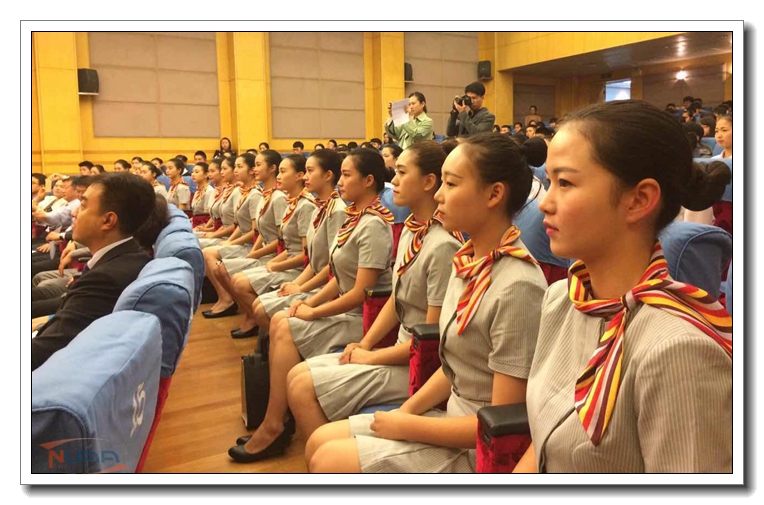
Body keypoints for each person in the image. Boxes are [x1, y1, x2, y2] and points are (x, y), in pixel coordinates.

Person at [511, 99, 732, 473]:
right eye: (549, 181)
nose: (545, 203)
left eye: (565, 183)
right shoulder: (562, 299)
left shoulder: (678, 351)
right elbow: (545, 443)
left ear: (638, 200)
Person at [306, 132, 547, 473]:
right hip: (449, 418)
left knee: (329, 459)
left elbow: (500, 427)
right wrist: (406, 413)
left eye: (451, 184)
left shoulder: (518, 285)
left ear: (494, 194)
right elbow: (453, 368)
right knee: (319, 442)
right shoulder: (469, 262)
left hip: (476, 451)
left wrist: (408, 425)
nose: (438, 195)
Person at [287, 140, 463, 445]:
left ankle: (323, 451)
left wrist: (371, 357)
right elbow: (396, 299)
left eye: (402, 173)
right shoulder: (412, 230)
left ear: (428, 182)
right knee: (297, 375)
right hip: (399, 351)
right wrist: (365, 343)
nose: (394, 180)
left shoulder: (443, 245)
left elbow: (429, 343)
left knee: (303, 388)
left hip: (416, 367)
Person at [228, 148, 393, 463]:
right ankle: (276, 419)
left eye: (346, 175)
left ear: (369, 180)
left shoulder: (371, 224)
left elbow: (361, 293)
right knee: (283, 320)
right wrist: (308, 300)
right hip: (344, 306)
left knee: (285, 325)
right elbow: (336, 275)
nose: (340, 182)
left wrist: (314, 309)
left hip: (361, 317)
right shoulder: (354, 217)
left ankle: (275, 424)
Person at [32, 173, 156, 370]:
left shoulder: (105, 279)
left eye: (83, 205)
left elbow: (46, 350)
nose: (74, 214)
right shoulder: (129, 255)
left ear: (108, 220)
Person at [251, 149, 345, 343]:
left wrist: (302, 288)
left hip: (325, 286)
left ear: (328, 175)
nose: (305, 177)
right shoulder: (319, 207)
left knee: (266, 312)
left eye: (310, 171)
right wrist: (298, 285)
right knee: (260, 306)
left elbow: (332, 266)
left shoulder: (336, 211)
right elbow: (311, 258)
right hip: (313, 278)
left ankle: (285, 346)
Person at [227, 155, 317, 338]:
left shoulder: (304, 205)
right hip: (287, 259)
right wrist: (273, 261)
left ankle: (266, 332)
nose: (279, 177)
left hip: (298, 268)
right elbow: (285, 245)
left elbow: (305, 255)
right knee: (236, 280)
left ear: (298, 176)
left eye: (283, 172)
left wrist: (276, 264)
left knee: (244, 287)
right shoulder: (291, 201)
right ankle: (261, 327)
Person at [201, 152, 280, 318]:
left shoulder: (260, 195)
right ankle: (227, 299)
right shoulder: (251, 193)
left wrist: (252, 251)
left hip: (260, 248)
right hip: (256, 245)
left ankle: (234, 304)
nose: (235, 170)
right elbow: (247, 228)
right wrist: (229, 240)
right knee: (211, 256)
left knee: (213, 258)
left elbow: (258, 233)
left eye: (239, 166)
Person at [197, 157, 238, 247]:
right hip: (224, 234)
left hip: (232, 237)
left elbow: (237, 225)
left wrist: (214, 234)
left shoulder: (238, 191)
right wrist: (208, 230)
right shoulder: (226, 190)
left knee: (198, 245)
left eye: (224, 169)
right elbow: (223, 223)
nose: (222, 172)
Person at [190, 162, 216, 227]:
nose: (193, 174)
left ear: (206, 175)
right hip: (196, 223)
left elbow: (207, 216)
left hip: (204, 224)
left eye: (196, 172)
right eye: (192, 172)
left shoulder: (209, 191)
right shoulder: (197, 192)